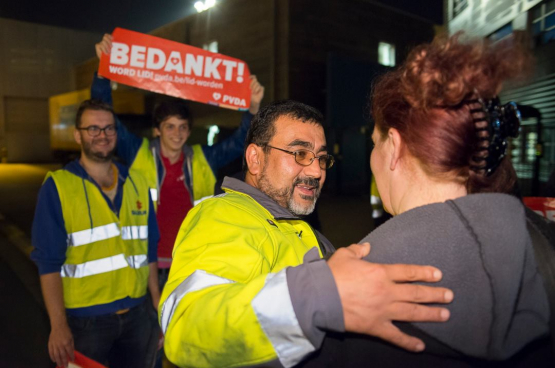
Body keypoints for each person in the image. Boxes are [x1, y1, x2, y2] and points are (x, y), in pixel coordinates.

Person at [299, 34, 552, 367]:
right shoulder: (544, 239)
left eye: (375, 143)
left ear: (395, 146)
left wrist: (311, 297)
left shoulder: (354, 287)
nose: (372, 158)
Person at [159, 99, 454, 367]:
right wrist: (320, 295)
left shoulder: (293, 221)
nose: (316, 171)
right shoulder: (224, 216)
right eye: (299, 153)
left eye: (321, 158)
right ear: (255, 159)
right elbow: (187, 324)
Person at [93, 34, 264, 278]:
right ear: (157, 130)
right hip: (147, 266)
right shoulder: (136, 151)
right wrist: (103, 73)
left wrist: (253, 108)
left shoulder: (202, 158)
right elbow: (104, 118)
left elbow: (240, 143)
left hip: (191, 263)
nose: (177, 133)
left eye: (183, 127)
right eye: (170, 126)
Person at [31, 99, 161, 368]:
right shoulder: (58, 187)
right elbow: (48, 263)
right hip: (86, 323)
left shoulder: (137, 182)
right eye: (93, 129)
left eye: (109, 129)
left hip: (138, 316)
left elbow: (149, 251)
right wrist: (58, 326)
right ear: (77, 135)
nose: (102, 135)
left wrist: (158, 307)